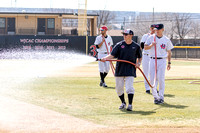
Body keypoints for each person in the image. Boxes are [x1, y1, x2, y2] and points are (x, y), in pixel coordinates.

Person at [101, 29, 142, 111]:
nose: (124, 36)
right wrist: (105, 58)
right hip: (120, 69)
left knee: (129, 88)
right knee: (119, 89)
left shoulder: (136, 46)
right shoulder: (119, 45)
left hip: (130, 69)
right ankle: (123, 102)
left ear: (131, 35)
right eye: (124, 34)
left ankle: (130, 104)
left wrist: (138, 63)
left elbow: (140, 57)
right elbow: (112, 55)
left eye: (126, 34)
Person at [144, 24, 174, 104]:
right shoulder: (151, 37)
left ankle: (161, 97)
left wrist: (169, 62)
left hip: (162, 60)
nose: (157, 31)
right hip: (153, 60)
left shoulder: (166, 39)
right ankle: (155, 97)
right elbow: (145, 47)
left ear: (162, 29)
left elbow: (169, 51)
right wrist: (151, 45)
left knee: (161, 79)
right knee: (152, 79)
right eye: (156, 29)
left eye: (158, 29)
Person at [140, 24, 155, 94]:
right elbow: (142, 46)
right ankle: (147, 88)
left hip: (153, 56)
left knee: (153, 73)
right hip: (146, 55)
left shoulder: (156, 37)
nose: (153, 30)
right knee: (146, 72)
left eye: (154, 28)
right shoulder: (146, 36)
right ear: (150, 28)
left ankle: (153, 87)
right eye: (152, 28)